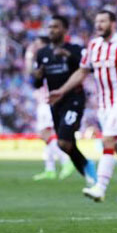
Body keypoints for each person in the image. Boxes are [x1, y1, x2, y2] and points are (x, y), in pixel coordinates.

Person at [50, 10, 117, 203]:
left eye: (103, 21)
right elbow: (82, 72)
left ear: (113, 24)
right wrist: (61, 90)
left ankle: (100, 188)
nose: (98, 25)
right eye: (96, 22)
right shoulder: (94, 46)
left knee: (108, 139)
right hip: (104, 105)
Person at [32, 16, 98, 185]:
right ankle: (86, 165)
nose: (51, 30)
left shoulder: (75, 49)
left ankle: (88, 171)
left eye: (55, 27)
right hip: (55, 103)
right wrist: (37, 77)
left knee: (63, 140)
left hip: (73, 99)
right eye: (50, 27)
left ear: (65, 30)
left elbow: (87, 69)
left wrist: (68, 55)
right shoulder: (42, 53)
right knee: (64, 145)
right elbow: (38, 83)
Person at [25, 36, 75, 181]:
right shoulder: (47, 60)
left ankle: (66, 161)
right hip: (44, 101)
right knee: (46, 136)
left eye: (38, 44)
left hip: (48, 101)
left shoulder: (47, 60)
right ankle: (50, 169)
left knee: (45, 134)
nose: (35, 46)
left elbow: (31, 74)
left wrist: (29, 57)